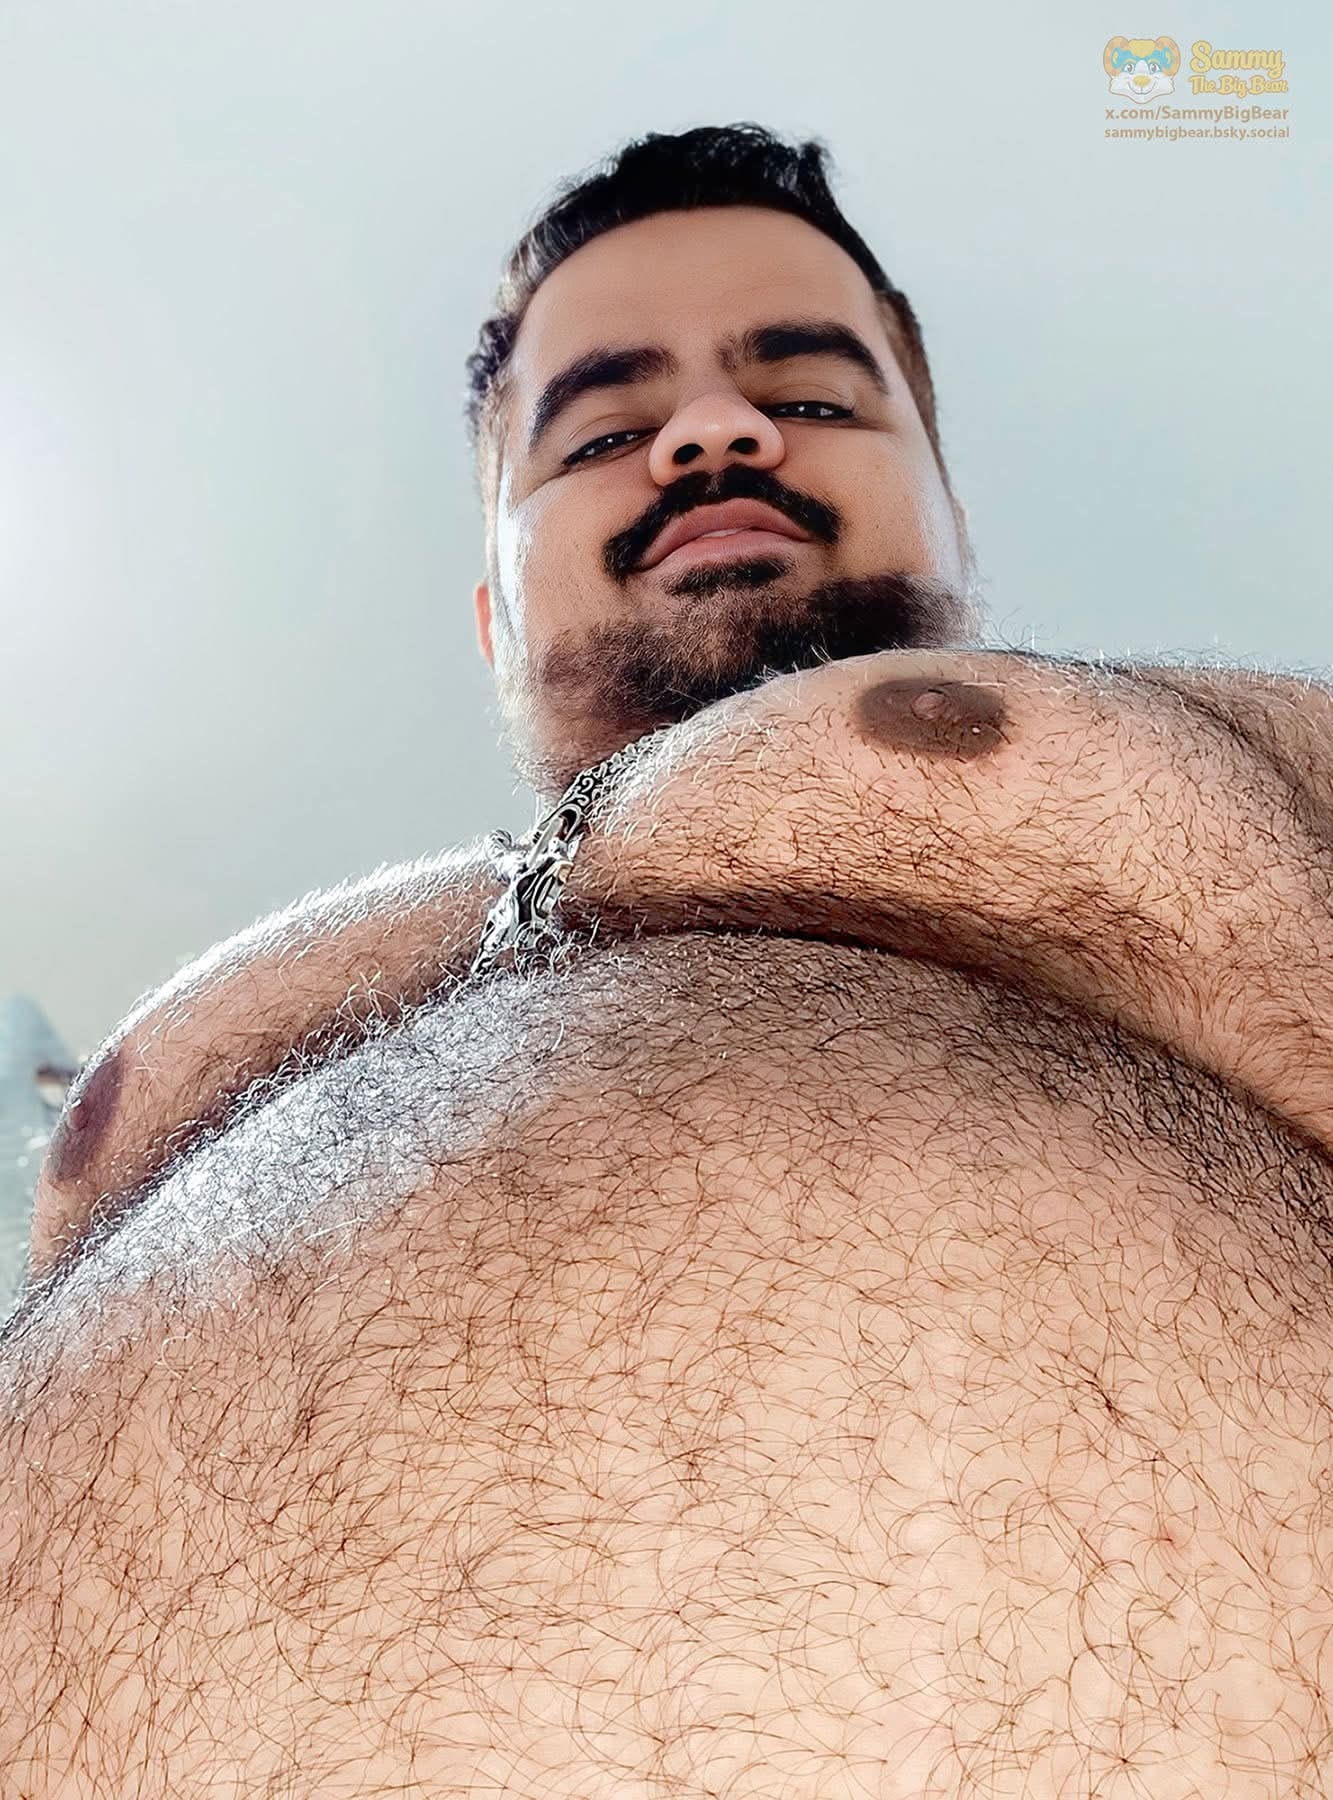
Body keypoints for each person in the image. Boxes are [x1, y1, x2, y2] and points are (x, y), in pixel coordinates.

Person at [4, 122, 1333, 1796]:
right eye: (606, 429)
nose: (713, 431)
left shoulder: (1242, 771)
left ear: (947, 509)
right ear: (491, 610)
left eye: (811, 393)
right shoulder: (246, 1004)